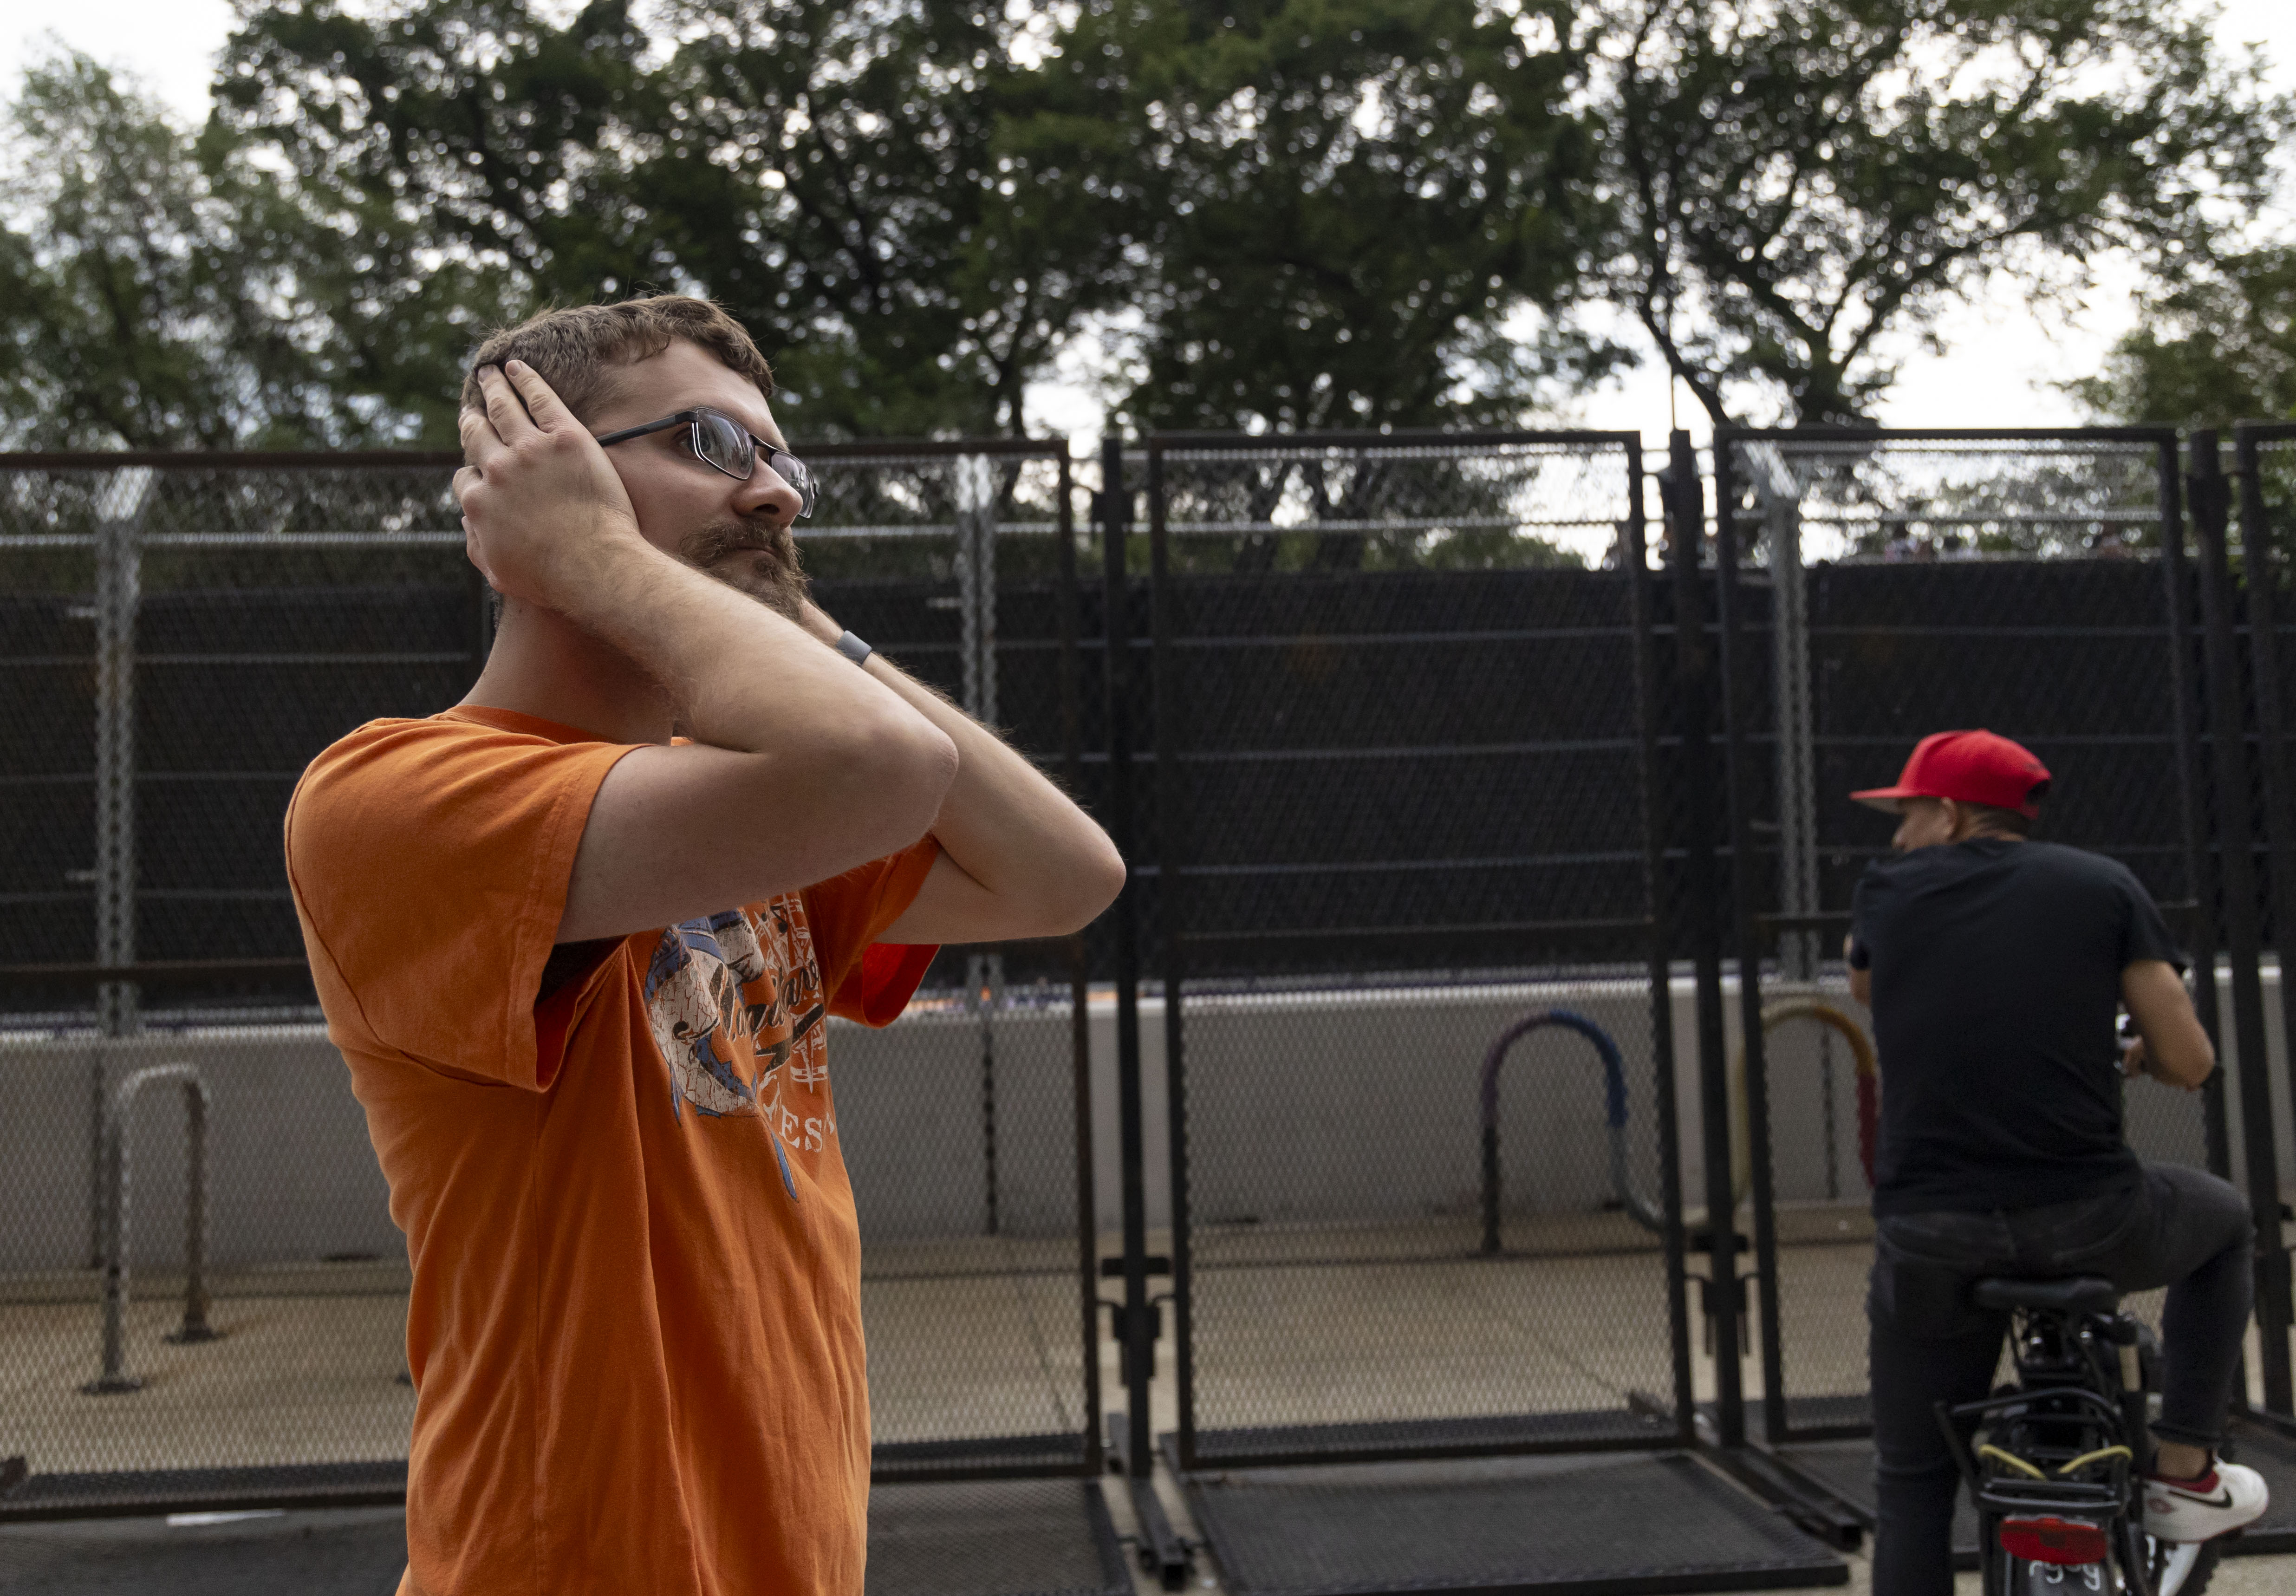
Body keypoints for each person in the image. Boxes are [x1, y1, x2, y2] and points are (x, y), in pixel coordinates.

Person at [283, 295, 1126, 1596]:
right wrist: (588, 558)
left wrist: (783, 611)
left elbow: (1066, 875)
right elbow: (879, 763)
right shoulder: (397, 794)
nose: (778, 496)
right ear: (537, 463)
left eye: (784, 465)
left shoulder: (744, 807)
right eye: (710, 445)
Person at [1844, 729, 2267, 1596]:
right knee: (2224, 1219)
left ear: (1952, 812)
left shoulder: (1887, 892)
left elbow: (1869, 988)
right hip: (2088, 1217)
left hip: (1932, 1232)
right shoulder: (2100, 886)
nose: (1896, 838)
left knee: (1913, 1484)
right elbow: (2190, 1061)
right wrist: (2125, 1046)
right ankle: (2185, 1462)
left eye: (1909, 813)